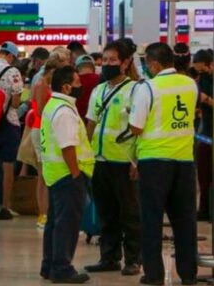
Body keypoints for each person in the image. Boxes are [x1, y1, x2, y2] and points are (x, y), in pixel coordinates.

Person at [129, 42, 198, 285]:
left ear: (155, 64)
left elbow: (136, 126)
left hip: (154, 162)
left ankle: (155, 274)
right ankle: (189, 274)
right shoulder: (190, 84)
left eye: (147, 63)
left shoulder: (148, 87)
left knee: (151, 219)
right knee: (185, 220)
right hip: (184, 161)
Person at [84, 40, 141, 276]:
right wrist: (85, 153)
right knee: (106, 213)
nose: (106, 65)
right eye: (104, 60)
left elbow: (141, 128)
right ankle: (109, 257)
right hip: (100, 160)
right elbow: (91, 123)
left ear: (126, 63)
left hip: (124, 161)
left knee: (129, 214)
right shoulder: (99, 90)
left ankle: (133, 259)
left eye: (112, 61)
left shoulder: (136, 90)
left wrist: (137, 161)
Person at [40, 66, 94, 284]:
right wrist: (75, 173)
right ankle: (62, 267)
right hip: (67, 174)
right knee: (67, 223)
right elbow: (67, 146)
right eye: (78, 83)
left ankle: (50, 265)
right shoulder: (64, 111)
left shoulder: (53, 105)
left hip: (55, 173)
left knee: (55, 221)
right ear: (67, 87)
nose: (81, 86)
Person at [0, 41, 24, 220]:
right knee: (8, 164)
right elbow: (15, 103)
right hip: (9, 122)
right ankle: (4, 207)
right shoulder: (13, 72)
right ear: (11, 56)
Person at [30, 51, 69, 229]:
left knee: (49, 173)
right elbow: (39, 111)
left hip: (48, 129)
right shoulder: (41, 85)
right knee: (43, 175)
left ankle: (48, 212)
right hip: (41, 129)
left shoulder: (50, 85)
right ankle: (43, 214)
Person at [194, 49, 214, 221]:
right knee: (203, 173)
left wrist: (206, 99)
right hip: (204, 133)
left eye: (202, 69)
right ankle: (204, 209)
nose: (200, 73)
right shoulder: (202, 80)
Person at [74, 54, 100, 122]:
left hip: (77, 121)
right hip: (96, 122)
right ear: (93, 67)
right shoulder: (101, 80)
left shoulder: (73, 82)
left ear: (77, 68)